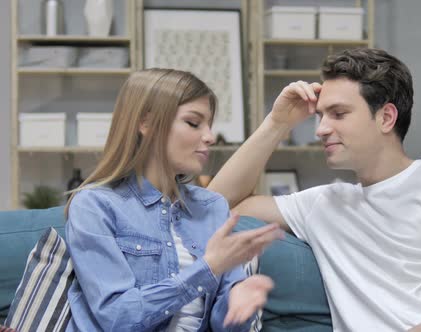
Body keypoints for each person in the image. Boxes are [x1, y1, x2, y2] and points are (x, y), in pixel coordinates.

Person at [208, 48, 421, 331]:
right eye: (320, 116)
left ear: (386, 117)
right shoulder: (323, 204)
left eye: (338, 114)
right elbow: (214, 206)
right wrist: (277, 123)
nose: (320, 129)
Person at [64, 68, 284, 332]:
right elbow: (117, 317)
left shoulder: (212, 207)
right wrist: (208, 268)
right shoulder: (95, 205)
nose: (210, 137)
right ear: (146, 123)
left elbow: (224, 325)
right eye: (194, 123)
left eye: (209, 125)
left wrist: (239, 305)